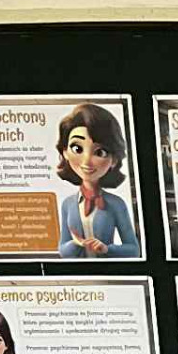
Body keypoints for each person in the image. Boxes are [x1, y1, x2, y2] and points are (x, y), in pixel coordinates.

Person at [55, 102, 140, 259]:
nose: (86, 161)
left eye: (100, 152)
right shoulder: (67, 204)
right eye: (77, 148)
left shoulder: (116, 204)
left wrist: (107, 249)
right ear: (65, 152)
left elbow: (134, 250)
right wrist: (76, 244)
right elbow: (62, 250)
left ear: (114, 160)